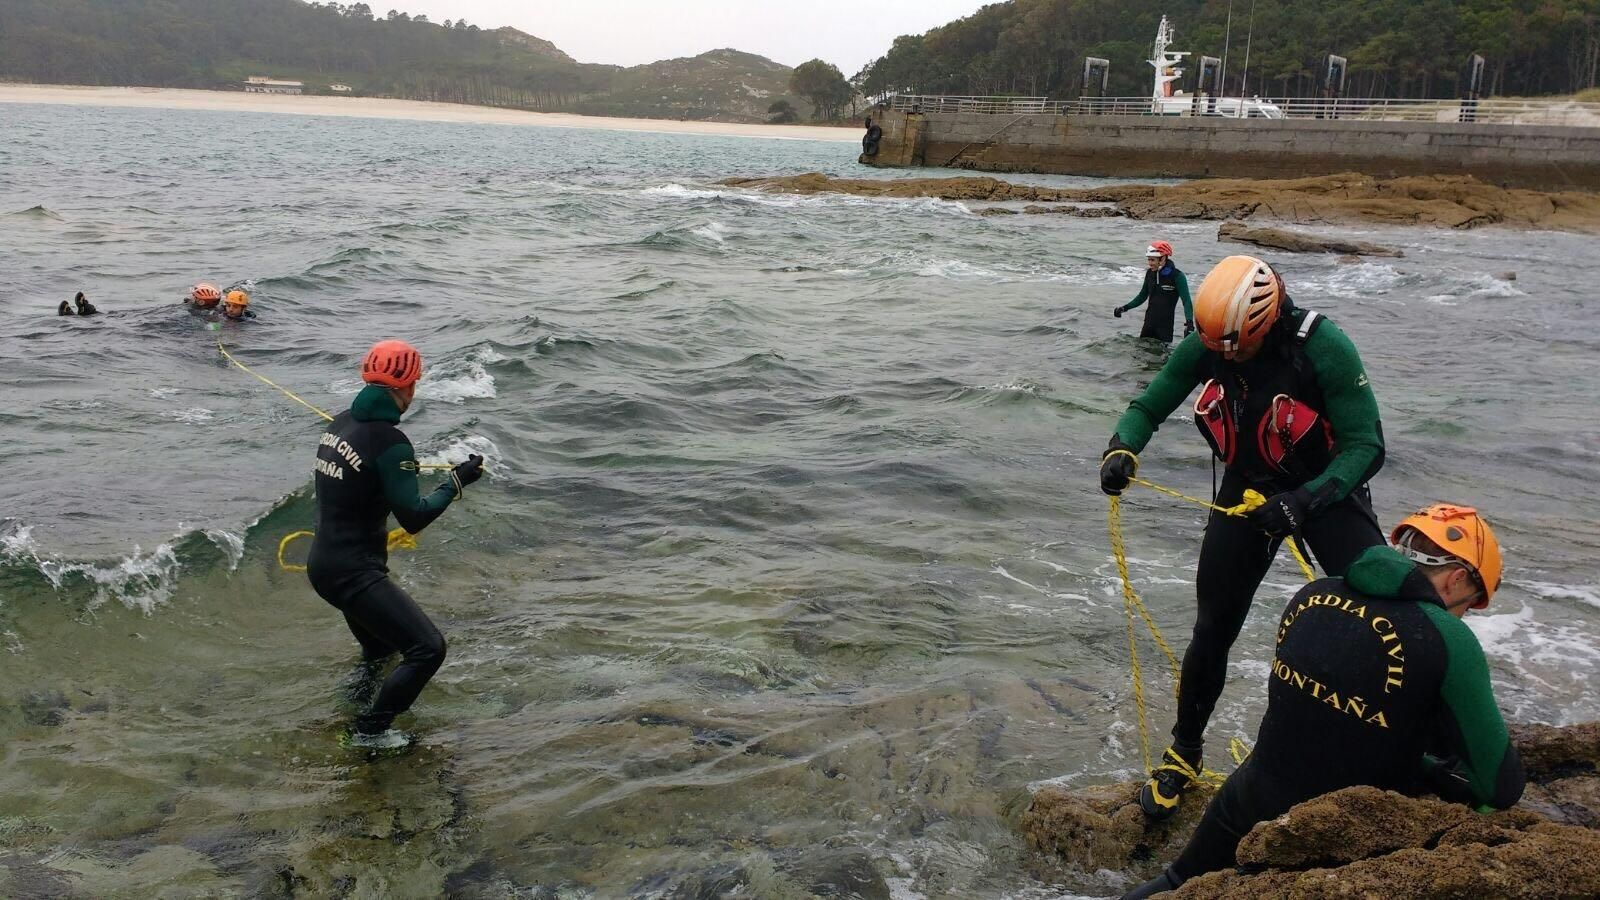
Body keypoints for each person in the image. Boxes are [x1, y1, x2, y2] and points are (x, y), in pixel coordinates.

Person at [1098, 255, 1387, 820]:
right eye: (1217, 348)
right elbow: (1151, 403)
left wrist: (1306, 501)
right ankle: (1184, 750)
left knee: (1386, 612)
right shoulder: (1211, 340)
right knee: (1212, 628)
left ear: (1263, 321)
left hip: (1324, 491)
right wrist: (1121, 447)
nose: (1225, 357)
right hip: (1249, 491)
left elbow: (1366, 446)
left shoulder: (1324, 347)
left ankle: (1395, 743)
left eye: (1237, 347)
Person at [1123, 504, 1524, 898]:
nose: (1465, 615)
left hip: (1243, 800)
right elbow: (1501, 787)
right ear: (1455, 580)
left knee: (1176, 884)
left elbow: (1322, 718)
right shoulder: (1448, 638)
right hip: (1331, 832)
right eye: (1472, 603)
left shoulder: (1313, 593)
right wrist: (1431, 770)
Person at [306, 340, 485, 750]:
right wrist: (456, 482)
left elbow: (361, 481)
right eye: (414, 382)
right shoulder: (390, 442)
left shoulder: (339, 423)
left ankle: (349, 705)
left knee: (378, 649)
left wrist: (396, 471)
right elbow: (414, 515)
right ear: (406, 386)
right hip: (354, 573)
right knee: (427, 649)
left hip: (325, 567)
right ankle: (370, 732)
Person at [1113, 242, 1193, 344]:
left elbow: (1186, 301)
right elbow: (1142, 296)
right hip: (1148, 324)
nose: (1150, 263)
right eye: (1148, 259)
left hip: (1165, 328)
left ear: (1163, 258)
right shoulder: (1150, 273)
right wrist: (1124, 308)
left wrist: (1189, 323)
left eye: (1152, 260)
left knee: (1161, 357)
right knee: (1140, 355)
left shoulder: (1177, 276)